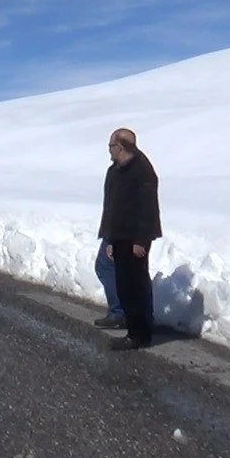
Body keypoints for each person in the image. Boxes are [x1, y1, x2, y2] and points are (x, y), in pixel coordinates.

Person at [96, 127, 162, 350]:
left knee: (136, 284)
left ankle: (140, 334)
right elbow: (112, 207)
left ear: (120, 147)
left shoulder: (142, 171)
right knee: (125, 284)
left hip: (135, 238)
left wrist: (141, 240)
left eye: (111, 146)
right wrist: (110, 239)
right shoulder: (115, 171)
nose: (109, 151)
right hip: (120, 236)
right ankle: (135, 329)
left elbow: (148, 209)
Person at [92, 235, 124, 329]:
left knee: (105, 267)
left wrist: (111, 240)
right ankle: (131, 313)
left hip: (119, 231)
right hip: (134, 232)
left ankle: (118, 312)